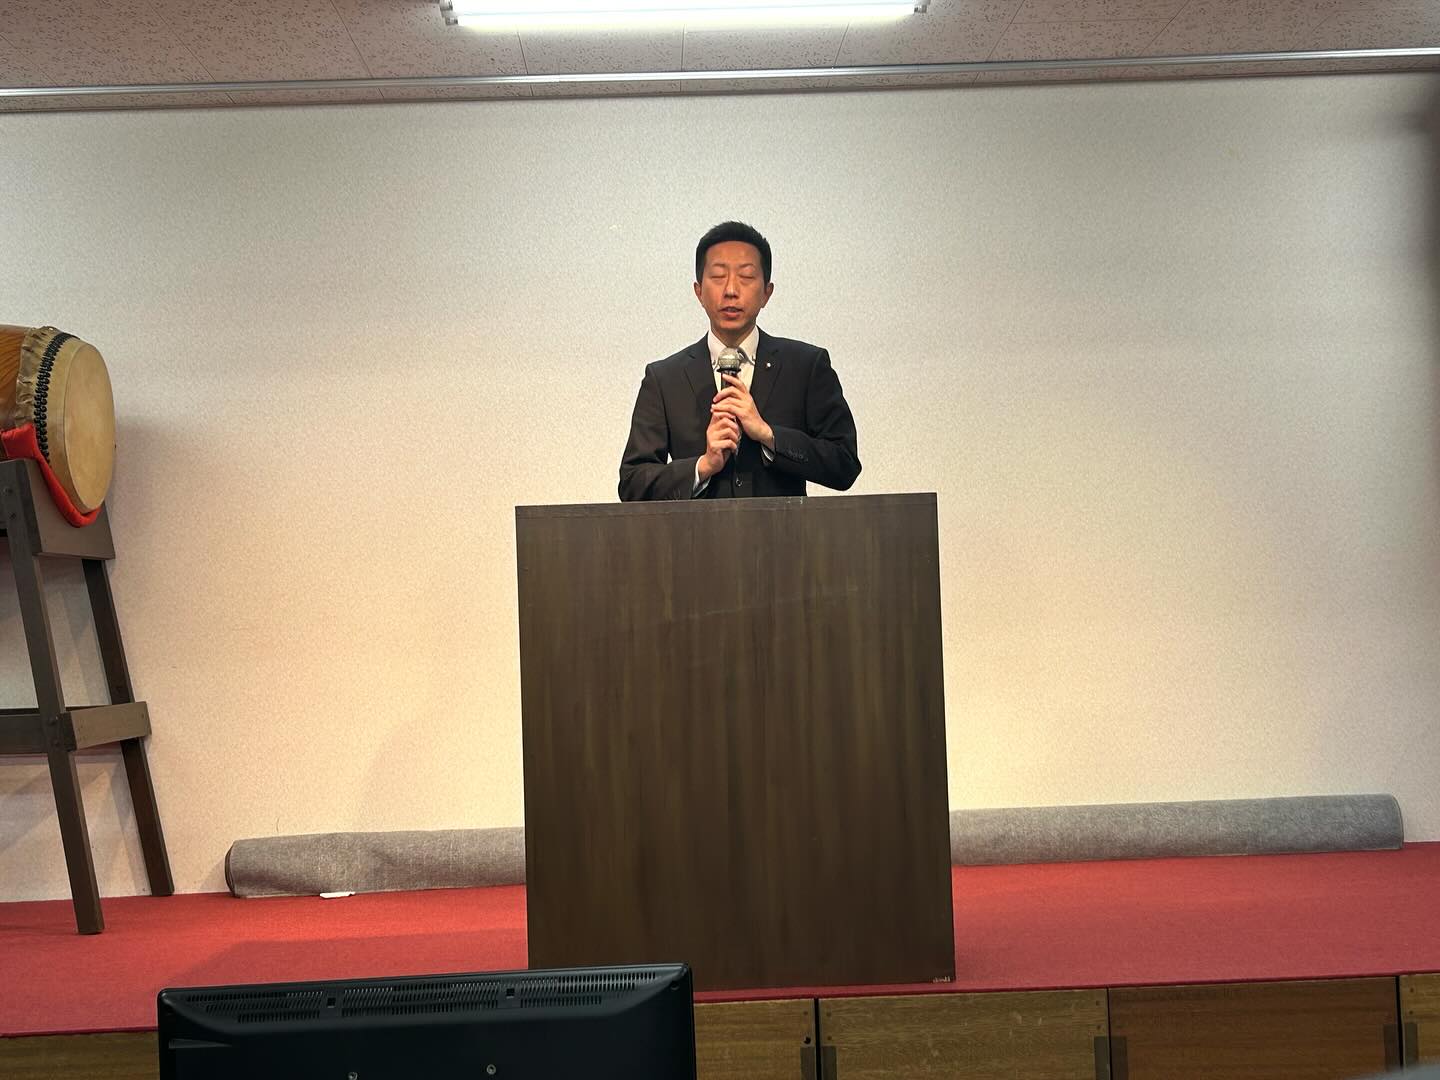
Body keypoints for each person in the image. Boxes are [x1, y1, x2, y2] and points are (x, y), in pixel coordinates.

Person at [618, 221, 861, 501]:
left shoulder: (806, 366)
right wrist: (702, 466)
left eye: (746, 277)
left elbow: (844, 463)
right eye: (718, 276)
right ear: (698, 291)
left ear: (767, 292)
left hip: (783, 530)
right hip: (696, 531)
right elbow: (632, 483)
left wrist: (769, 436)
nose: (731, 290)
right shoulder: (664, 378)